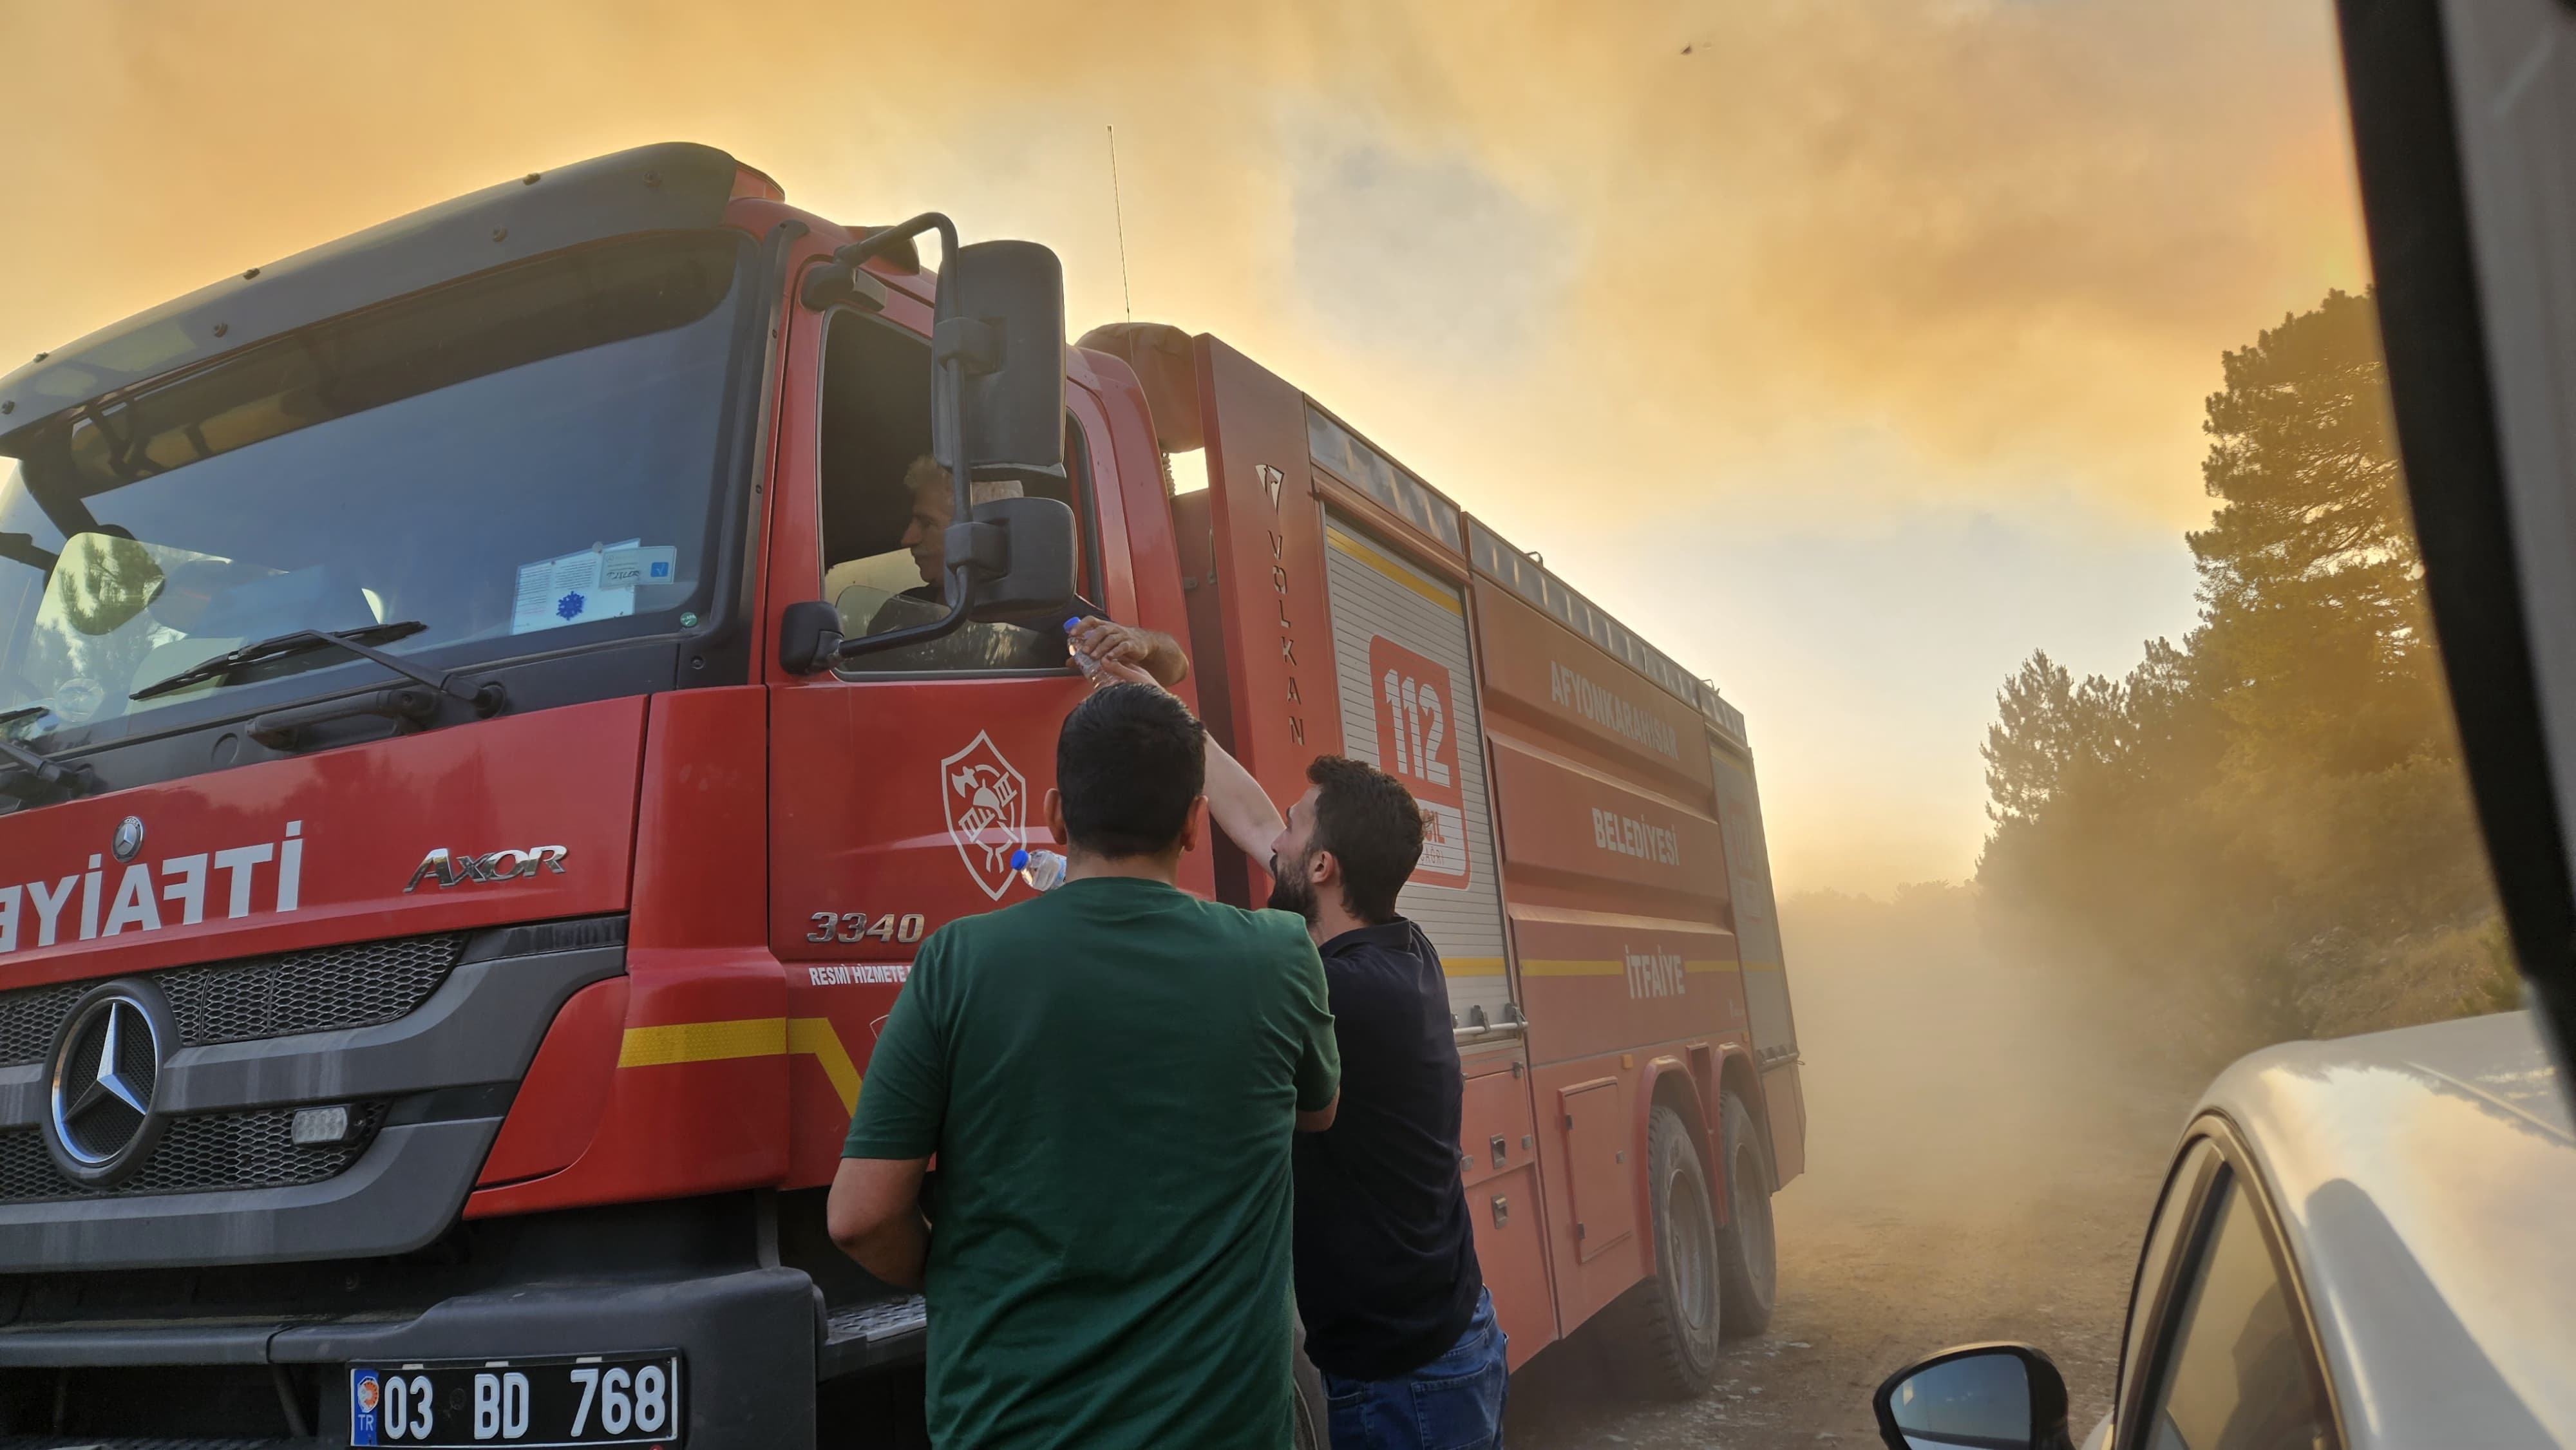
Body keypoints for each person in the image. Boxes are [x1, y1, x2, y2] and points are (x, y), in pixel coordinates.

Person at [827, 682, 1340, 1449]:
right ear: (1193, 824)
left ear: (1056, 815)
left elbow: (860, 1217)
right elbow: (1317, 1109)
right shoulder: (1279, 954)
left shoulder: (957, 961)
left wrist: (966, 1278)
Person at [1084, 655, 1506, 1450]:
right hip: (1437, 1347)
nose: (1271, 839)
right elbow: (1251, 821)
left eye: (1293, 826)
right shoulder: (1400, 947)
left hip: (1406, 1382)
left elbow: (1199, 969)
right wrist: (1162, 705)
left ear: (1321, 866)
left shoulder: (1340, 991)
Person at [840, 455, 1192, 683]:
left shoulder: (1052, 612)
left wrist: (1144, 642)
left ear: (986, 532)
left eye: (927, 523)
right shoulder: (899, 615)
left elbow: (1174, 668)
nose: (908, 538)